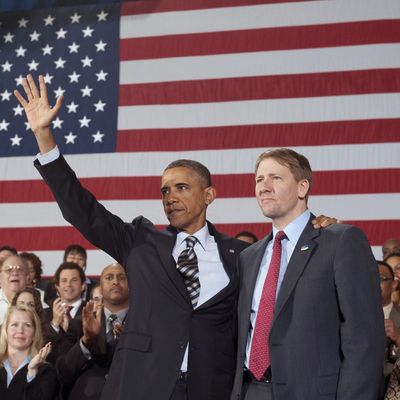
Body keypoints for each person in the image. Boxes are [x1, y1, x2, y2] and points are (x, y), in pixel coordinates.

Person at [15, 75, 336, 400]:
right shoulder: (138, 241)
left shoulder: (244, 255)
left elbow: (281, 290)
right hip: (139, 386)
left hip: (209, 388)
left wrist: (313, 226)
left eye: (182, 187)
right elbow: (81, 209)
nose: (170, 196)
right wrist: (43, 135)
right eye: (164, 190)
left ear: (209, 194)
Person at [230, 148, 385, 400]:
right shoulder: (248, 257)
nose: (264, 187)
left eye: (275, 178)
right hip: (251, 390)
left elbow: (364, 340)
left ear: (302, 188)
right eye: (259, 179)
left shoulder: (340, 241)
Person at [56, 262, 129, 399]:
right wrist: (86, 340)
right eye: (109, 277)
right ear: (100, 288)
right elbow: (63, 372)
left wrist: (130, 343)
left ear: (132, 285)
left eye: (122, 277)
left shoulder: (144, 325)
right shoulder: (79, 324)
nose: (115, 281)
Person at [0, 305, 59, 399]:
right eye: (14, 324)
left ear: (35, 334)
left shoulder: (45, 371)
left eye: (27, 325)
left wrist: (32, 372)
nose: (20, 330)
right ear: (6, 330)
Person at [0, 255, 28, 325]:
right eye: (8, 270)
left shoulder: (38, 303)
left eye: (20, 269)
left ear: (27, 278)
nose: (15, 273)